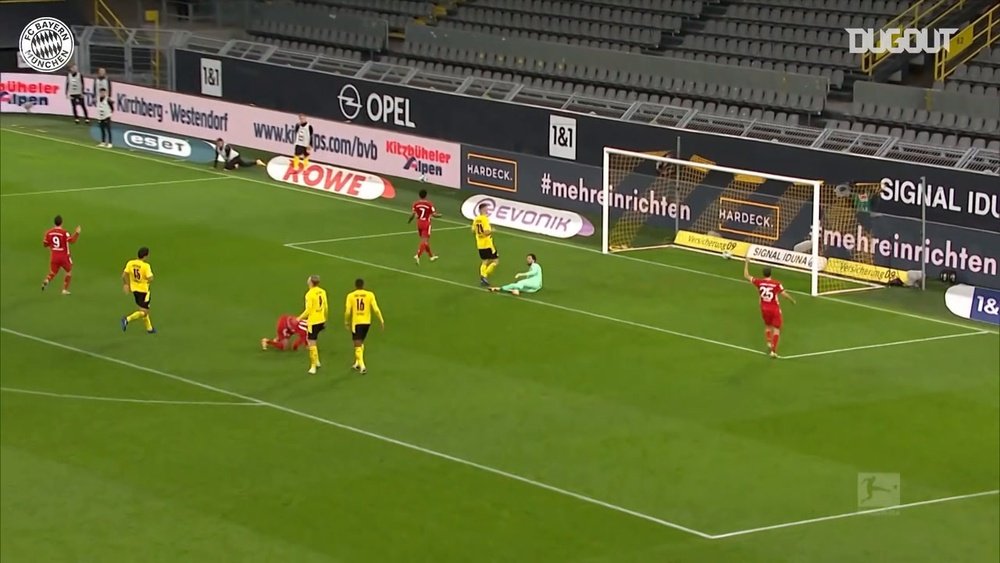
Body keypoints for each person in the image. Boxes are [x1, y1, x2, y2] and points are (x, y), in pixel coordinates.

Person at [743, 257, 795, 358]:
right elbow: (783, 294)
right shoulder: (776, 284)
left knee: (767, 326)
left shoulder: (759, 282)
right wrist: (792, 300)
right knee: (777, 329)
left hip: (764, 308)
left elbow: (746, 275)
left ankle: (768, 342)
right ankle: (773, 351)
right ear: (771, 273)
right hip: (774, 309)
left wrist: (746, 263)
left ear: (763, 274)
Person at [344, 278, 384, 375]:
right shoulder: (370, 294)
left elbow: (348, 311)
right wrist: (381, 320)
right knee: (360, 342)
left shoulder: (350, 296)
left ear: (355, 285)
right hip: (367, 322)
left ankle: (362, 366)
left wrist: (346, 322)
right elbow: (376, 309)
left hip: (357, 323)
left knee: (357, 343)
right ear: (363, 285)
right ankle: (357, 363)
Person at [41, 215, 81, 295]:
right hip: (64, 257)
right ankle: (64, 290)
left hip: (54, 256)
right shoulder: (64, 233)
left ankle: (47, 280)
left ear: (54, 223)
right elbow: (72, 241)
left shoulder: (49, 233)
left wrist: (51, 246)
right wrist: (77, 233)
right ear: (62, 223)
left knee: (53, 272)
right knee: (68, 272)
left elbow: (45, 244)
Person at [121, 247, 155, 334]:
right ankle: (127, 319)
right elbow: (150, 278)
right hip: (144, 291)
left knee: (142, 309)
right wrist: (148, 280)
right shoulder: (146, 266)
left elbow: (124, 275)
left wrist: (126, 284)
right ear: (145, 256)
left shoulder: (130, 263)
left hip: (135, 290)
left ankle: (149, 329)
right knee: (144, 312)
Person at [298, 275, 328, 374]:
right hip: (321, 319)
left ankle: (313, 366)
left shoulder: (309, 294)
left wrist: (299, 318)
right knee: (314, 340)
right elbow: (326, 306)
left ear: (310, 282)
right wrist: (325, 318)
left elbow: (308, 310)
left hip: (313, 321)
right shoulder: (323, 291)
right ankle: (317, 361)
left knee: (311, 342)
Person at [408, 189, 441, 264]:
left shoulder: (416, 204)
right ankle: (418, 255)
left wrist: (409, 221)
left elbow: (413, 214)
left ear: (419, 195)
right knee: (424, 241)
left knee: (424, 242)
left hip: (419, 223)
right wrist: (440, 216)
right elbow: (434, 214)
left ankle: (431, 256)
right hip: (426, 223)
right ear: (426, 195)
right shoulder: (429, 204)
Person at [471, 202, 499, 286]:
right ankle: (484, 275)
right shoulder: (485, 219)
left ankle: (483, 277)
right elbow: (486, 232)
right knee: (495, 261)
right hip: (487, 244)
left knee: (484, 261)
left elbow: (473, 230)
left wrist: (479, 234)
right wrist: (492, 231)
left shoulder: (476, 219)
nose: (487, 211)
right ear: (482, 210)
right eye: (486, 209)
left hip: (480, 244)